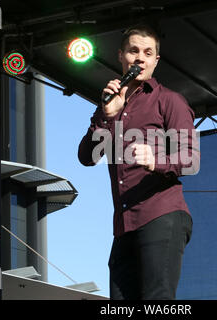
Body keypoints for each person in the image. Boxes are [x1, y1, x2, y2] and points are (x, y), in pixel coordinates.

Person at [78, 24, 200, 300]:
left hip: (160, 214)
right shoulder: (112, 104)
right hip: (123, 224)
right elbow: (87, 156)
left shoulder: (169, 101)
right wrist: (107, 115)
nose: (140, 58)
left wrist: (156, 161)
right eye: (134, 51)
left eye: (148, 52)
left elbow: (190, 157)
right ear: (121, 56)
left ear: (156, 60)